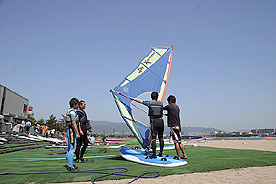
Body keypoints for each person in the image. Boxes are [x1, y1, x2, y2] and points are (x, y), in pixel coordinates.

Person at [130, 92, 164, 158]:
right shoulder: (161, 103)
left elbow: (140, 101)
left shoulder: (149, 103)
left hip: (154, 122)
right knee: (161, 138)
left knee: (154, 138)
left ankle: (154, 154)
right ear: (157, 97)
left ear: (151, 97)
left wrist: (132, 99)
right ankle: (160, 153)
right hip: (161, 121)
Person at [163, 95, 187, 159]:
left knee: (176, 141)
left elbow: (161, 108)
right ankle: (184, 154)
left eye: (168, 101)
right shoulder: (177, 107)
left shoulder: (170, 106)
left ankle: (178, 156)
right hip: (178, 126)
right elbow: (173, 114)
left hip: (174, 126)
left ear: (170, 101)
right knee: (179, 141)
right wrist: (166, 114)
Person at [65, 98, 80, 171]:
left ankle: (69, 164)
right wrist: (77, 133)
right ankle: (70, 166)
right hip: (71, 132)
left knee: (69, 149)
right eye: (77, 104)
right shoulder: (72, 113)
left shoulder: (69, 111)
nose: (78, 106)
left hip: (69, 131)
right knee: (72, 148)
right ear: (74, 104)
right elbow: (74, 123)